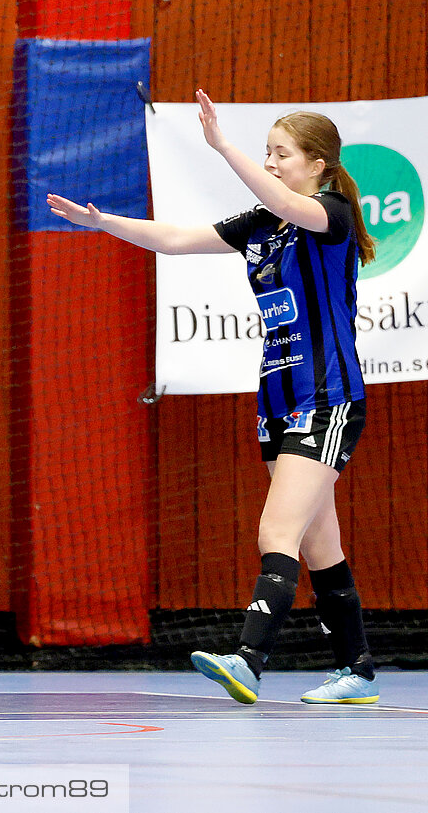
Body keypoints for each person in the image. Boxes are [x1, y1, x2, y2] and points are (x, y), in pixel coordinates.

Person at [48, 91, 378, 706]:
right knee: (318, 544)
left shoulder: (328, 213)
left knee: (275, 528)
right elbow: (174, 239)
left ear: (319, 165)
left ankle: (249, 659)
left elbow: (285, 199)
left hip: (327, 398)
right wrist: (104, 223)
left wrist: (222, 146)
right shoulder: (264, 224)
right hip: (277, 401)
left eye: (282, 154)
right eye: (267, 152)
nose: (272, 163)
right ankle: (356, 671)